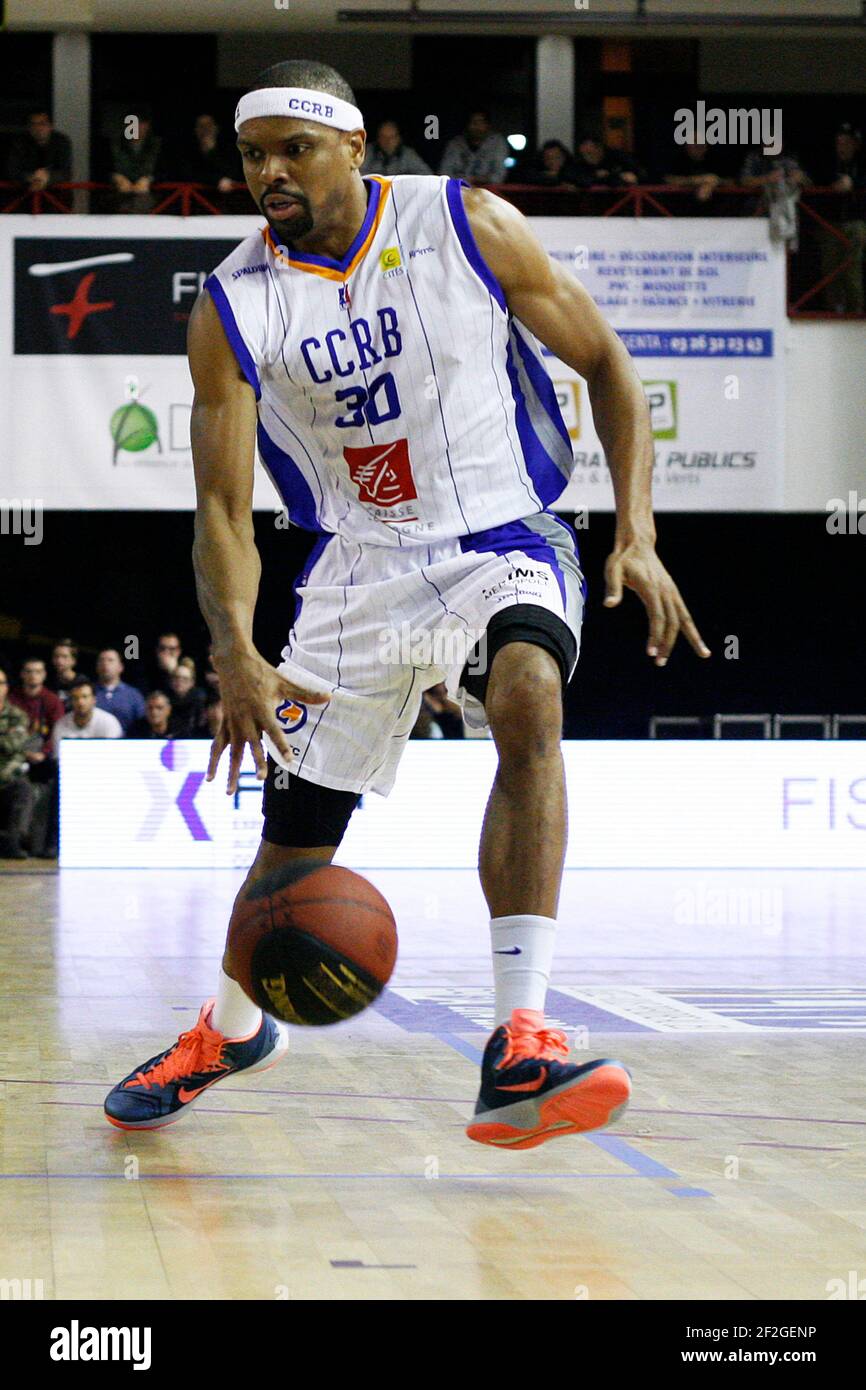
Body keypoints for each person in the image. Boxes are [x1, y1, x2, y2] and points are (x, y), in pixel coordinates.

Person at [103, 59, 710, 1146]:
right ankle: (233, 1027)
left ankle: (520, 1034)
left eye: (295, 148)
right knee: (294, 851)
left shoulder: (468, 222)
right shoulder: (236, 304)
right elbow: (221, 506)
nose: (270, 173)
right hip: (355, 568)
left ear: (355, 146)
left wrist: (637, 533)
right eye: (252, 155)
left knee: (526, 693)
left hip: (499, 534)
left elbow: (609, 366)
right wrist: (233, 648)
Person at [819, 122, 866, 314]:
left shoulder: (862, 165)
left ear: (856, 145)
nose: (843, 147)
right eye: (839, 143)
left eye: (847, 143)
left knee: (853, 268)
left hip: (857, 222)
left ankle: (856, 310)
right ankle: (833, 310)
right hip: (831, 224)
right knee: (830, 269)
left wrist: (854, 183)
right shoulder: (828, 164)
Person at [0, 668, 35, 860]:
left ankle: (12, 842)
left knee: (24, 790)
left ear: (6, 688)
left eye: (0, 683)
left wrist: (7, 741)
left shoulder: (17, 715)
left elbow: (16, 744)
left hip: (7, 776)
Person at [7, 110, 72, 191]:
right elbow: (12, 171)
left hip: (57, 194)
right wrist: (31, 177)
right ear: (29, 128)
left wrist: (47, 177)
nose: (38, 128)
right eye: (33, 124)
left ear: (51, 126)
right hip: (24, 195)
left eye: (42, 124)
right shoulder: (20, 142)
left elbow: (66, 172)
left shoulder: (61, 141)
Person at [51, 678, 123, 751]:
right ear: (71, 701)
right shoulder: (61, 724)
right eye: (75, 698)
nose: (80, 702)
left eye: (85, 697)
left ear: (94, 699)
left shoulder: (109, 722)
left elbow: (114, 755)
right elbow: (59, 757)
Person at [439, 110, 509, 185]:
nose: (477, 127)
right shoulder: (455, 144)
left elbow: (499, 175)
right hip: (460, 189)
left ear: (488, 125)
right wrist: (464, 181)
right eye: (473, 123)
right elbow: (444, 173)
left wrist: (479, 180)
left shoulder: (497, 142)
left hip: (488, 190)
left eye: (481, 122)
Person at [109, 109, 162, 202]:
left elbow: (166, 170)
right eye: (132, 123)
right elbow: (103, 168)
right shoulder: (115, 145)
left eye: (140, 123)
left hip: (151, 199)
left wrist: (149, 179)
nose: (136, 127)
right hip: (119, 199)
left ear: (147, 125)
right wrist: (117, 178)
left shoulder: (158, 145)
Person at [179, 114, 237, 192]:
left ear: (216, 128)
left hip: (224, 199)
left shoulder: (228, 149)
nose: (205, 130)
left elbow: (232, 172)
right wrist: (216, 180)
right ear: (196, 130)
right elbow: (189, 175)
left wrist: (212, 152)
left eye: (209, 125)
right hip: (196, 197)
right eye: (201, 126)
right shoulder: (187, 150)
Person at [93, 648, 146, 733]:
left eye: (110, 660)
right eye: (101, 660)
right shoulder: (88, 693)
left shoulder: (133, 695)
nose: (105, 664)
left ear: (120, 667)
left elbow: (142, 722)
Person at [362, 120, 432, 177]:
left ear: (399, 138)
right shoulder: (367, 152)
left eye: (392, 137)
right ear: (378, 138)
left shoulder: (408, 154)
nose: (387, 141)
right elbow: (357, 174)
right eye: (383, 137)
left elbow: (427, 175)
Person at [573, 134, 641, 189]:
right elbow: (581, 180)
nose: (587, 153)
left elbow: (636, 173)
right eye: (584, 150)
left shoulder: (617, 157)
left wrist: (616, 176)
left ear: (600, 148)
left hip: (621, 198)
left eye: (590, 150)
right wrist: (595, 176)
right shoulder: (580, 164)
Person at [168, 658, 207, 736]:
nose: (179, 681)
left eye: (184, 679)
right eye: (176, 677)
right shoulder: (166, 700)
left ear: (192, 682)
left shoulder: (199, 700)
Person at [49, 639, 82, 708]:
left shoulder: (82, 683)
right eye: (56, 656)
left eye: (64, 656)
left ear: (74, 661)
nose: (59, 660)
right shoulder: (48, 681)